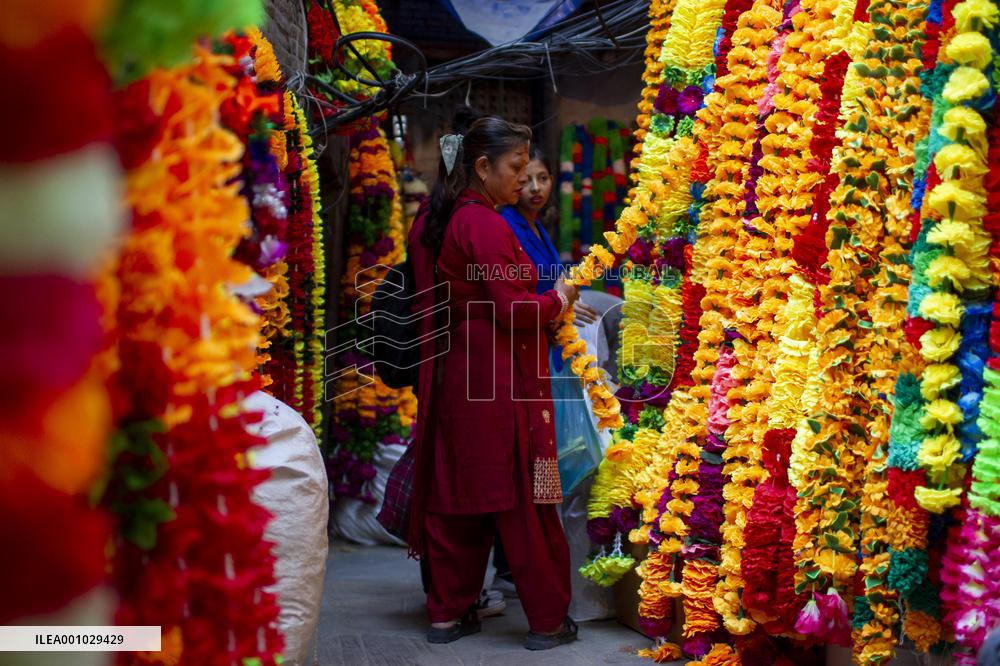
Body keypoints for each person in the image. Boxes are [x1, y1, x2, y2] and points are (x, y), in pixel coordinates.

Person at [405, 116, 580, 650]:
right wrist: (559, 299)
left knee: (460, 495)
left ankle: (447, 615)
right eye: (514, 167)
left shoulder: (443, 218)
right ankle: (548, 621)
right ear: (481, 167)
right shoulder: (483, 223)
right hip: (501, 381)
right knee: (528, 499)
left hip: (462, 376)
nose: (523, 179)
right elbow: (513, 310)